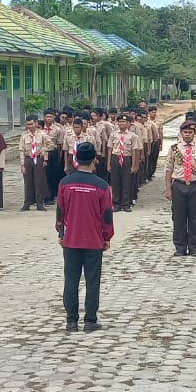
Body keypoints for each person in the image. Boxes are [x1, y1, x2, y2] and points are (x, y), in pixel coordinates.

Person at [56, 142, 115, 332]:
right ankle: (90, 320)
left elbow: (60, 211)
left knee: (71, 280)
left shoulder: (65, 183)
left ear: (75, 159)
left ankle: (71, 321)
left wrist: (60, 232)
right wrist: (107, 237)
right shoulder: (102, 186)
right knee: (92, 280)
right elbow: (106, 215)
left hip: (71, 240)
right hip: (94, 241)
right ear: (94, 160)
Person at [166, 121, 196, 257]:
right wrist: (168, 189)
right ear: (181, 133)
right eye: (185, 132)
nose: (187, 135)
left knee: (195, 218)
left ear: (195, 133)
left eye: (190, 132)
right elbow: (168, 170)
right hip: (179, 185)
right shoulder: (174, 149)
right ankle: (180, 247)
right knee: (178, 218)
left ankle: (193, 247)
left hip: (195, 186)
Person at [20, 116, 52, 211]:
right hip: (28, 158)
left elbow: (50, 144)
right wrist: (22, 165)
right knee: (28, 182)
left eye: (31, 124)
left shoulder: (42, 134)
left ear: (36, 123)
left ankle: (39, 203)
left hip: (38, 158)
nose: (29, 126)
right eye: (28, 124)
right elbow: (21, 150)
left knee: (39, 181)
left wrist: (43, 151)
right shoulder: (24, 135)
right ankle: (27, 203)